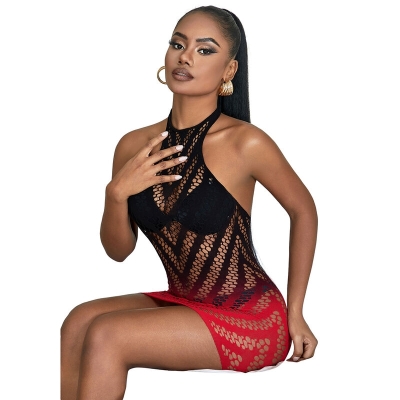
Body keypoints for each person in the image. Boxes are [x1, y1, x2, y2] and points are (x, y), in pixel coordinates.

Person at [61, 5, 318, 400]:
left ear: (229, 70)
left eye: (204, 50)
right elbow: (119, 251)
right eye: (178, 44)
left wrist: (296, 311)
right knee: (78, 322)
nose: (185, 57)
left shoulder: (245, 142)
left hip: (251, 317)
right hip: (186, 301)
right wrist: (115, 194)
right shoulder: (133, 146)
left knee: (107, 333)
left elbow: (303, 211)